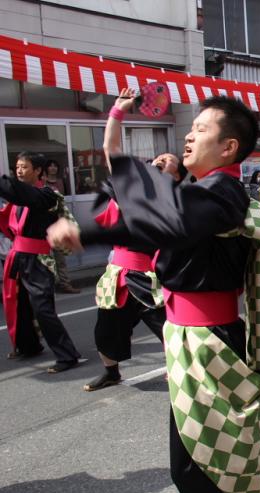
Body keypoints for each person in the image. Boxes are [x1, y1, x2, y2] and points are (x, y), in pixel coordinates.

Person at [48, 95, 260, 493]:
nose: (188, 135)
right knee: (232, 435)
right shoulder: (198, 190)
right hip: (194, 334)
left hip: (209, 340)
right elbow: (145, 196)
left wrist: (86, 230)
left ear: (228, 148)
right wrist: (116, 116)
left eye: (201, 129)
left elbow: (170, 223)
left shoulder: (221, 191)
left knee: (191, 466)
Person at [83, 87, 168, 391]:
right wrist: (117, 111)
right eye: (156, 160)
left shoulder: (178, 201)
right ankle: (111, 371)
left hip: (150, 275)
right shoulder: (131, 190)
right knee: (106, 327)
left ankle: (183, 365)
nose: (159, 162)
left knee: (171, 327)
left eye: (167, 162)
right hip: (118, 272)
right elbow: (111, 148)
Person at [0, 151, 83, 372]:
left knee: (43, 309)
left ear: (38, 171)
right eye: (17, 166)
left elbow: (22, 194)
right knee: (20, 305)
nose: (19, 170)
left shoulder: (47, 195)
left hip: (39, 259)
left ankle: (67, 355)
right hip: (18, 256)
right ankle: (29, 346)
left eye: (24, 166)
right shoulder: (19, 198)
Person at [43, 159, 81, 294]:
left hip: (57, 223)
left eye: (55, 165)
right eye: (50, 166)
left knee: (60, 258)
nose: (52, 168)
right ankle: (48, 285)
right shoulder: (41, 184)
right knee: (45, 259)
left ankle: (64, 284)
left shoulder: (60, 182)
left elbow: (66, 197)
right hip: (43, 226)